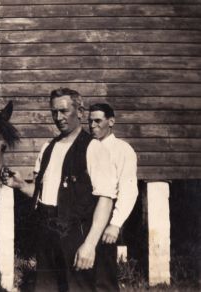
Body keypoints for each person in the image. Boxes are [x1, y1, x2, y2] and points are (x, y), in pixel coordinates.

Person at [1, 88, 117, 291]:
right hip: (48, 233)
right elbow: (43, 195)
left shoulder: (93, 148)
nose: (58, 117)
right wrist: (20, 186)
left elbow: (106, 199)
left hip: (77, 235)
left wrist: (89, 244)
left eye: (64, 111)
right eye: (54, 112)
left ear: (80, 112)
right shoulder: (48, 147)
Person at [88, 103, 138, 291]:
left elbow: (128, 189)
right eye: (90, 121)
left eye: (98, 121)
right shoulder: (87, 147)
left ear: (111, 122)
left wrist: (115, 224)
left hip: (107, 213)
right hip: (84, 213)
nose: (92, 125)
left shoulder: (122, 150)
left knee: (103, 274)